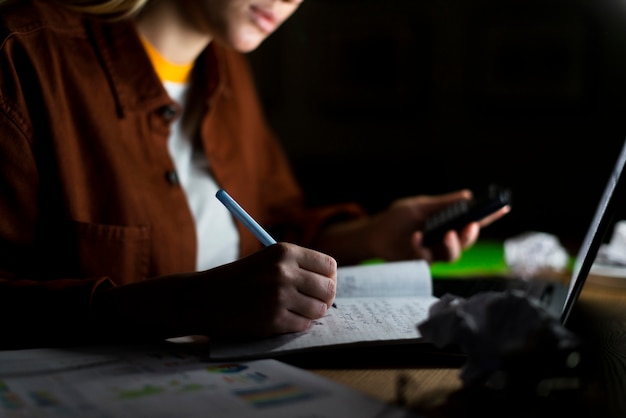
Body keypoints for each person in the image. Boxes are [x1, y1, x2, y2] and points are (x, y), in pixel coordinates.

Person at [0, 0, 509, 349]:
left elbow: (269, 230)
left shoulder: (226, 69)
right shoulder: (20, 57)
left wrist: (370, 234)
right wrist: (188, 305)